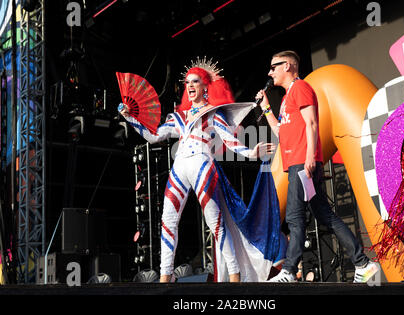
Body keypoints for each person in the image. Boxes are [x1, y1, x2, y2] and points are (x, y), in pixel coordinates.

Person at [119, 59, 276, 282]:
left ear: (205, 87)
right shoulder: (178, 117)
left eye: (196, 81)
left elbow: (231, 142)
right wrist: (130, 117)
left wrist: (252, 153)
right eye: (187, 82)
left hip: (203, 164)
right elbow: (153, 136)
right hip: (180, 166)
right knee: (168, 220)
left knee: (215, 222)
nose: (190, 85)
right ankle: (165, 275)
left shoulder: (213, 114)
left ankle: (234, 274)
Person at [256, 50, 379, 283]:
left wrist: (311, 156)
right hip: (296, 162)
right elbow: (281, 133)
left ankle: (290, 270)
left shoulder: (301, 88)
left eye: (274, 67)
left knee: (294, 216)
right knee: (324, 215)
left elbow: (312, 122)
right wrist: (265, 108)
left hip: (303, 163)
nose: (270, 72)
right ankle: (364, 264)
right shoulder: (285, 98)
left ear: (288, 67)